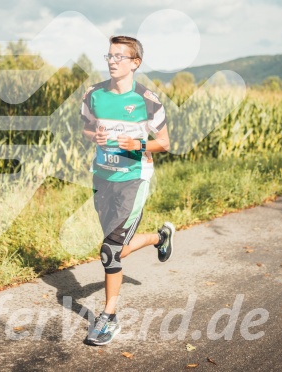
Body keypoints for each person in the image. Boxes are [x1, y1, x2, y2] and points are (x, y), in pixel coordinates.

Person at [80, 36, 175, 346]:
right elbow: (85, 128)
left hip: (134, 180)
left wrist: (139, 144)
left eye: (120, 56)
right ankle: (158, 237)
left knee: (109, 250)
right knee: (116, 248)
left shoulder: (148, 100)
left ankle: (108, 317)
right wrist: (95, 134)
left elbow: (165, 143)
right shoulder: (93, 94)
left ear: (135, 63)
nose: (112, 60)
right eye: (109, 55)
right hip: (102, 178)